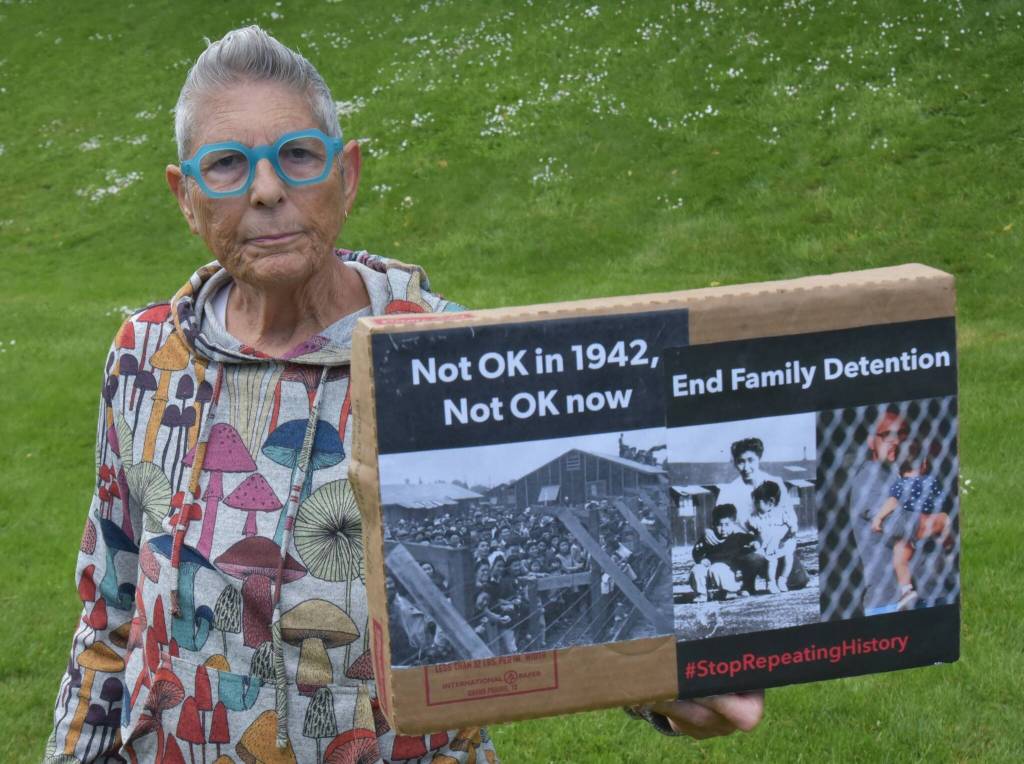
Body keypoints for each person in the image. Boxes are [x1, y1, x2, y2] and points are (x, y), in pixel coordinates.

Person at [44, 26, 761, 762]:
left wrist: (663, 687)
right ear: (186, 197)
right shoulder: (146, 357)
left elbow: (547, 579)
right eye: (226, 164)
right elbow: (108, 617)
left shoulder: (447, 359)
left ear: (347, 174)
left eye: (298, 155)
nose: (266, 190)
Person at [870, 439, 950, 611]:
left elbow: (892, 502)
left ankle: (907, 591)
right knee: (944, 524)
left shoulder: (899, 484)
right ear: (924, 463)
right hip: (928, 526)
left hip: (907, 532)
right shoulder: (931, 481)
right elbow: (941, 502)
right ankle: (947, 548)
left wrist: (879, 517)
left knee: (899, 559)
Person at [847, 410, 911, 615]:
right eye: (887, 435)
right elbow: (898, 527)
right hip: (887, 603)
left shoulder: (895, 475)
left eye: (901, 434)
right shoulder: (868, 478)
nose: (896, 441)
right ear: (870, 441)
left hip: (911, 595)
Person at [690, 504, 767, 600]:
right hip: (710, 573)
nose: (723, 529)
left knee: (716, 568)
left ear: (734, 524)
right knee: (697, 569)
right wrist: (701, 559)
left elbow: (753, 538)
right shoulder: (710, 538)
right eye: (719, 525)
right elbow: (697, 551)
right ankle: (701, 594)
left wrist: (756, 542)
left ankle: (728, 591)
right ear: (714, 524)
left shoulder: (738, 537)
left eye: (727, 525)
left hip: (730, 574)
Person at [715, 437, 793, 527]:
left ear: (759, 458)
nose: (746, 467)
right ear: (735, 463)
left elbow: (792, 519)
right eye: (741, 462)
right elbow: (718, 523)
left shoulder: (776, 483)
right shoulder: (728, 491)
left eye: (750, 460)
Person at [747, 481, 800, 593]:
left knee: (788, 557)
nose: (755, 504)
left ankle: (782, 580)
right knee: (772, 561)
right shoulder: (756, 517)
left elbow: (792, 526)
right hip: (768, 545)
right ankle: (771, 583)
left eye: (758, 501)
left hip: (782, 542)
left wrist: (791, 531)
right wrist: (754, 537)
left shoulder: (781, 512)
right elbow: (752, 529)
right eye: (754, 501)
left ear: (771, 502)